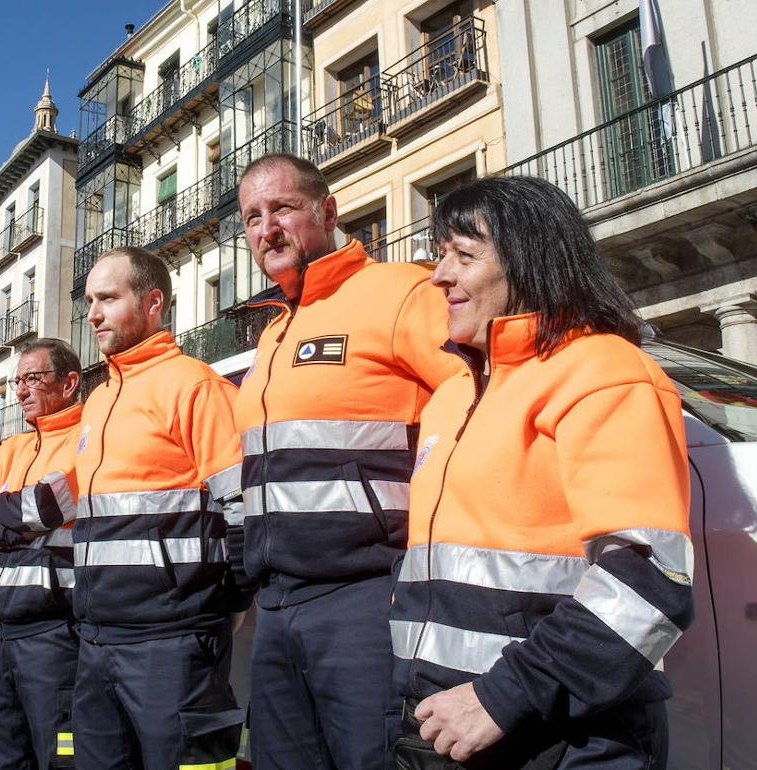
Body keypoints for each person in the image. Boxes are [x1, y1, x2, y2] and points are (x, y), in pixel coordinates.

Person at [390, 176, 694, 768]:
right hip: (446, 725)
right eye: (440, 252)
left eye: (464, 255)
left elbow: (649, 581)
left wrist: (501, 697)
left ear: (528, 263)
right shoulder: (450, 396)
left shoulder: (602, 371)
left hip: (561, 735)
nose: (437, 275)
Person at [230, 153, 462, 769]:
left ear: (327, 211)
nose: (267, 229)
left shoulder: (400, 292)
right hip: (277, 604)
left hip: (368, 596)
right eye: (252, 217)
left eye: (282, 208)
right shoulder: (273, 333)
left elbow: (476, 400)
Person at [70, 247, 246, 770]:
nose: (93, 315)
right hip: (97, 636)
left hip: (173, 641)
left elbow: (242, 510)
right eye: (88, 302)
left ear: (152, 302)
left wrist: (220, 607)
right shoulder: (98, 400)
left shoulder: (196, 385)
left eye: (107, 299)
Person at [0, 339, 83, 769]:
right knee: (4, 752)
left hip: (55, 629)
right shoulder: (8, 449)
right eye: (17, 381)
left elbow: (48, 505)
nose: (20, 391)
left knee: (58, 752)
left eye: (33, 379)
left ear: (69, 383)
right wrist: (16, 525)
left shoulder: (88, 438)